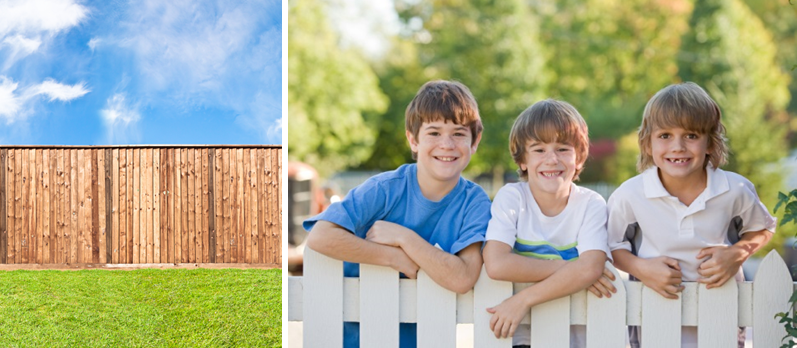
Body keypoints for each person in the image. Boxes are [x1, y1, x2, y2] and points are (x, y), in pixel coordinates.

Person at [304, 79, 492, 348]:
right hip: (357, 337)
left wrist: (405, 239)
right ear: (413, 140)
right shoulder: (384, 189)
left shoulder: (474, 202)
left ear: (475, 141)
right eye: (434, 133)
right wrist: (393, 257)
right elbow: (321, 238)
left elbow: (463, 278)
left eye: (459, 133)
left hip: (428, 337)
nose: (447, 144)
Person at [607, 82, 776, 348]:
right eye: (665, 136)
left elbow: (763, 228)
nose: (678, 147)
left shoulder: (735, 189)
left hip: (721, 311)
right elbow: (612, 245)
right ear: (647, 144)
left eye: (691, 136)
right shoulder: (630, 194)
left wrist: (737, 253)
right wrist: (641, 268)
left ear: (710, 142)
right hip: (654, 312)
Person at [483, 99, 613, 347]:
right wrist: (577, 269)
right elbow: (497, 264)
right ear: (523, 160)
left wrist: (523, 299)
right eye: (539, 149)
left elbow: (591, 268)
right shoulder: (512, 197)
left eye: (563, 148)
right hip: (522, 335)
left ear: (579, 158)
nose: (551, 159)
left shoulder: (590, 204)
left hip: (577, 334)